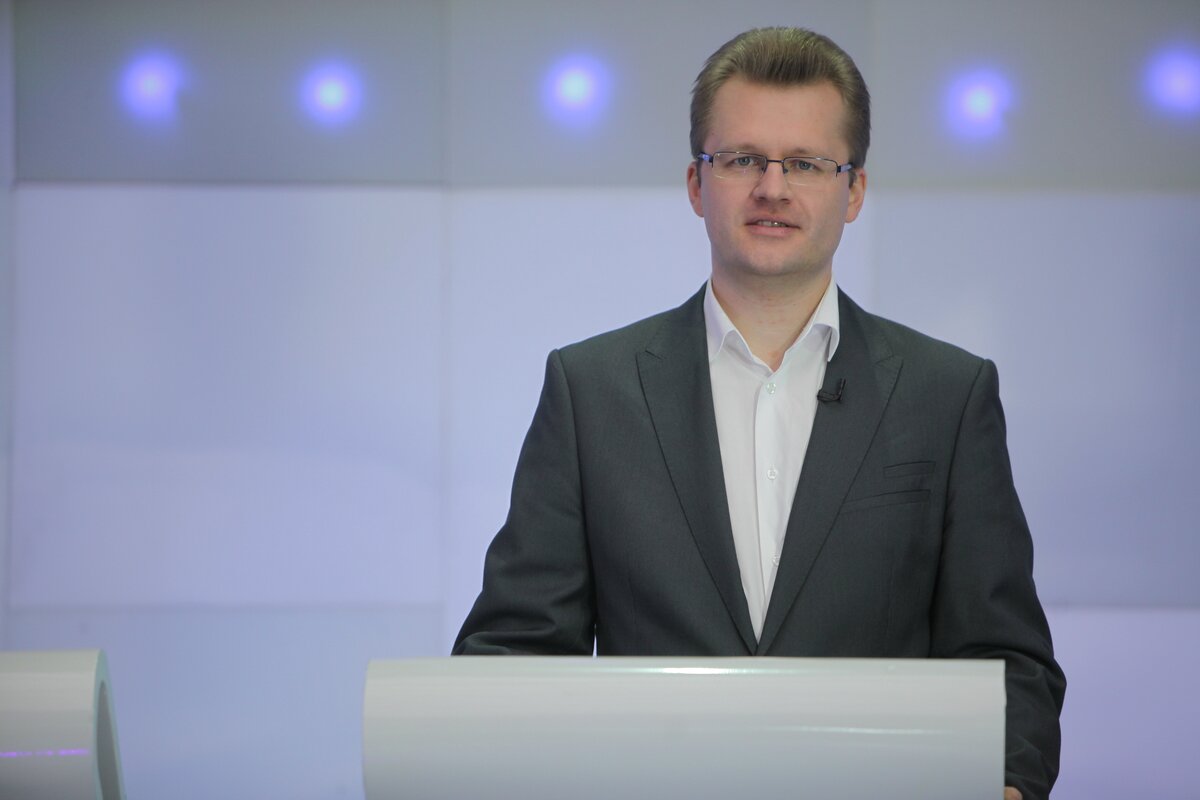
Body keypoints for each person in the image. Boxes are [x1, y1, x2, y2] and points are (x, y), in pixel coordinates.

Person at [454, 26, 1065, 800]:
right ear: (695, 183)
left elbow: (1008, 664)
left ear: (854, 191)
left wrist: (1007, 783)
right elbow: (516, 649)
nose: (772, 188)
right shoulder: (591, 390)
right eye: (742, 159)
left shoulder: (947, 395)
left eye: (805, 163)